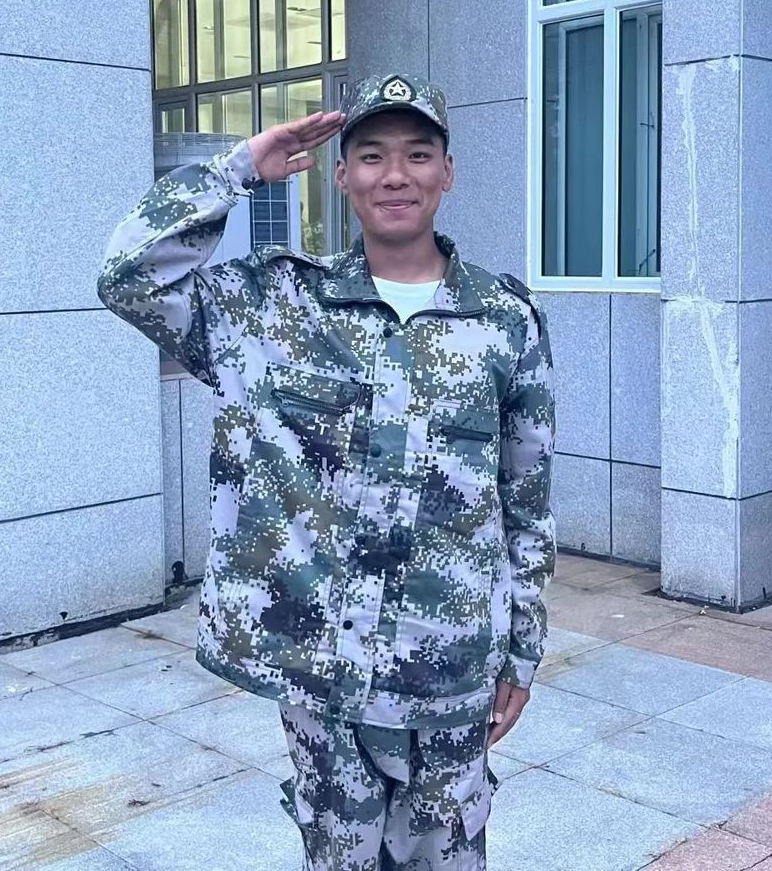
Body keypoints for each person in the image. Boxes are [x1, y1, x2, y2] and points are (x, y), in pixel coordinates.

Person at [97, 73, 555, 870]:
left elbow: (525, 500)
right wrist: (238, 168)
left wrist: (520, 651)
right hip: (322, 671)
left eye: (417, 154)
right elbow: (127, 278)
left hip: (448, 667)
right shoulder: (273, 307)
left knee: (448, 856)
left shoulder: (504, 321)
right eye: (371, 156)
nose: (394, 175)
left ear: (447, 172)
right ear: (341, 176)